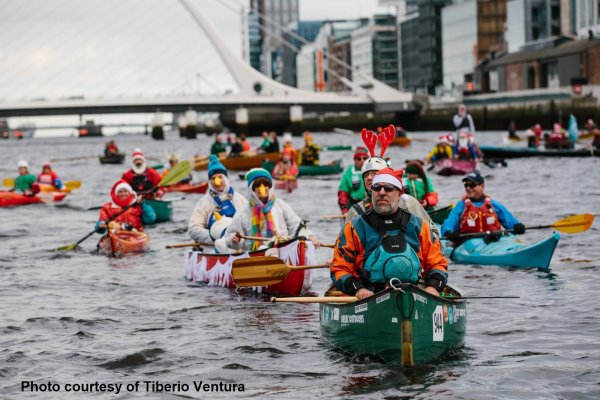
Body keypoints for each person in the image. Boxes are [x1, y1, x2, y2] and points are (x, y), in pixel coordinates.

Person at [331, 167, 448, 299]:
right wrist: (358, 289)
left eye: (388, 188)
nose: (381, 193)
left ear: (399, 194)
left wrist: (432, 287)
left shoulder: (418, 225)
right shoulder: (354, 227)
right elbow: (339, 268)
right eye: (376, 188)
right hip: (369, 295)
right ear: (372, 192)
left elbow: (437, 262)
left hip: (413, 292)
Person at [215, 168, 319, 253]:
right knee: (263, 250)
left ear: (270, 187)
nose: (262, 189)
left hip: (282, 250)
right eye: (258, 186)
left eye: (265, 185)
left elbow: (295, 225)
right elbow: (229, 237)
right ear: (252, 189)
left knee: (305, 245)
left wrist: (310, 236)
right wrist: (235, 241)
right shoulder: (243, 212)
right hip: (254, 255)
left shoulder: (280, 205)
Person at [345, 156, 439, 240]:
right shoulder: (356, 211)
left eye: (374, 173)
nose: (369, 178)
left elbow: (432, 236)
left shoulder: (409, 203)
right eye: (366, 175)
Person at [441, 172, 525, 243]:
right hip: (468, 242)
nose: (468, 188)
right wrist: (448, 232)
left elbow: (510, 221)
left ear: (482, 186)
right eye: (466, 185)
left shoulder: (493, 205)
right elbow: (449, 222)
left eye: (472, 185)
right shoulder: (461, 206)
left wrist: (517, 226)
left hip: (493, 240)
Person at [188, 155, 247, 244]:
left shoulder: (241, 200)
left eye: (220, 177)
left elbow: (250, 223)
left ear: (226, 178)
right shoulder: (203, 203)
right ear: (209, 182)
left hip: (238, 243)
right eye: (213, 178)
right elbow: (193, 229)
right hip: (215, 245)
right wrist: (216, 237)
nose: (217, 181)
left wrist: (239, 238)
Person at [337, 147, 368, 214]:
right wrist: (345, 210)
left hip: (370, 208)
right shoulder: (349, 173)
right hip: (354, 209)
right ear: (354, 160)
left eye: (365, 158)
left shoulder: (373, 171)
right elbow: (343, 193)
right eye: (359, 159)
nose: (362, 161)